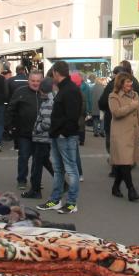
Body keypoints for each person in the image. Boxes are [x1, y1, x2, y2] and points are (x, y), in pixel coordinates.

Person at [36, 61, 83, 215]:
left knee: (71, 169)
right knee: (58, 169)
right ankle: (55, 200)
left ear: (56, 73)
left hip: (65, 136)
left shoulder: (70, 90)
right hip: (58, 135)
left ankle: (71, 203)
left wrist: (63, 132)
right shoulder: (64, 89)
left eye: (52, 73)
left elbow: (72, 115)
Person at [109, 72, 139, 202]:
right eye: (127, 82)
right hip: (120, 135)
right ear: (120, 83)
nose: (130, 84)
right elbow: (116, 113)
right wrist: (131, 106)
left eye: (131, 82)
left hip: (133, 134)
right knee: (125, 163)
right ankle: (131, 190)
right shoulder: (113, 96)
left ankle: (115, 187)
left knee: (124, 163)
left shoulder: (135, 95)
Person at [7, 70, 43, 190]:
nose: (35, 83)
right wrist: (11, 126)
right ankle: (21, 179)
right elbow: (11, 109)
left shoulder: (45, 93)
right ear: (28, 81)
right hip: (24, 132)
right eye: (33, 80)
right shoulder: (20, 92)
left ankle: (35, 180)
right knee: (24, 156)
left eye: (38, 81)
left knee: (38, 159)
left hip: (41, 133)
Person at [23, 76, 56, 199]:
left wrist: (37, 129)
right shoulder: (49, 100)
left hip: (42, 138)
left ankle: (35, 190)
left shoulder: (48, 102)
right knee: (45, 162)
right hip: (43, 138)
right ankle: (62, 183)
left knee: (37, 165)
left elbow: (47, 123)